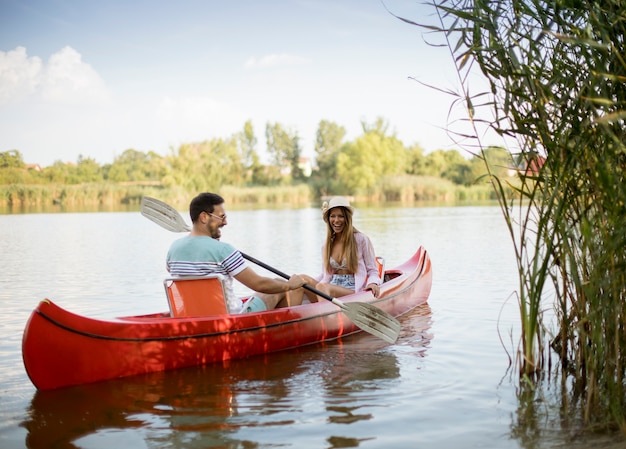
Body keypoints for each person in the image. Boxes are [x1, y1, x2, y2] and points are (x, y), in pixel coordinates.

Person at [166, 192, 306, 314]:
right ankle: (284, 332)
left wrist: (210, 242)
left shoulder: (173, 249)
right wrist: (290, 285)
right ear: (204, 217)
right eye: (222, 217)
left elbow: (190, 270)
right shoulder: (224, 250)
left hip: (193, 317)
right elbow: (259, 284)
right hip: (231, 320)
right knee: (280, 284)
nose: (225, 222)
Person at [259, 196, 382, 307]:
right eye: (332, 216)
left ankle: (325, 319)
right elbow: (325, 276)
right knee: (300, 279)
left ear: (347, 218)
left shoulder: (361, 240)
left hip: (352, 291)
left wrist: (373, 284)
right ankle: (292, 317)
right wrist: (308, 281)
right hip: (328, 288)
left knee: (322, 287)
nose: (336, 220)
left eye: (340, 216)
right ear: (328, 219)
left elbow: (372, 270)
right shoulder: (327, 244)